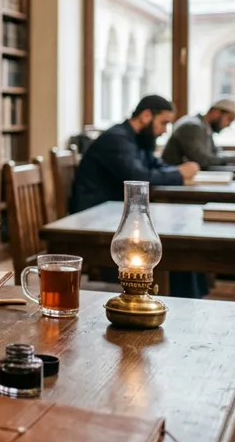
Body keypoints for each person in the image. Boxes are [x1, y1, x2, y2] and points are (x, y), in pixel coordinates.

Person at [69, 95, 206, 297]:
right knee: (175, 244)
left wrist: (178, 170)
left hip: (115, 214)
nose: (165, 130)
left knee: (184, 237)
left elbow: (155, 166)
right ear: (146, 115)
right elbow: (138, 179)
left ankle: (191, 303)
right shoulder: (116, 139)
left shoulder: (138, 139)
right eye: (164, 122)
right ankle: (183, 304)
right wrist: (179, 173)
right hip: (95, 219)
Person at [161, 99, 235, 169]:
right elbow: (202, 160)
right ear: (216, 112)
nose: (228, 125)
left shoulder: (205, 127)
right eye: (229, 119)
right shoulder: (192, 126)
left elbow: (215, 153)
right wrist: (234, 159)